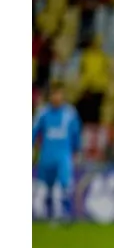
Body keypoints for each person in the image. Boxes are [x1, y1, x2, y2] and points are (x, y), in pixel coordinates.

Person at [32, 83, 82, 223]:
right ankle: (41, 217)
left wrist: (77, 150)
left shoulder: (70, 113)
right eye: (54, 94)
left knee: (62, 187)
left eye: (59, 93)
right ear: (50, 96)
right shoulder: (42, 113)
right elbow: (33, 132)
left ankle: (62, 215)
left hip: (63, 157)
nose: (56, 97)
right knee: (43, 189)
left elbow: (76, 134)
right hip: (46, 156)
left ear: (63, 95)